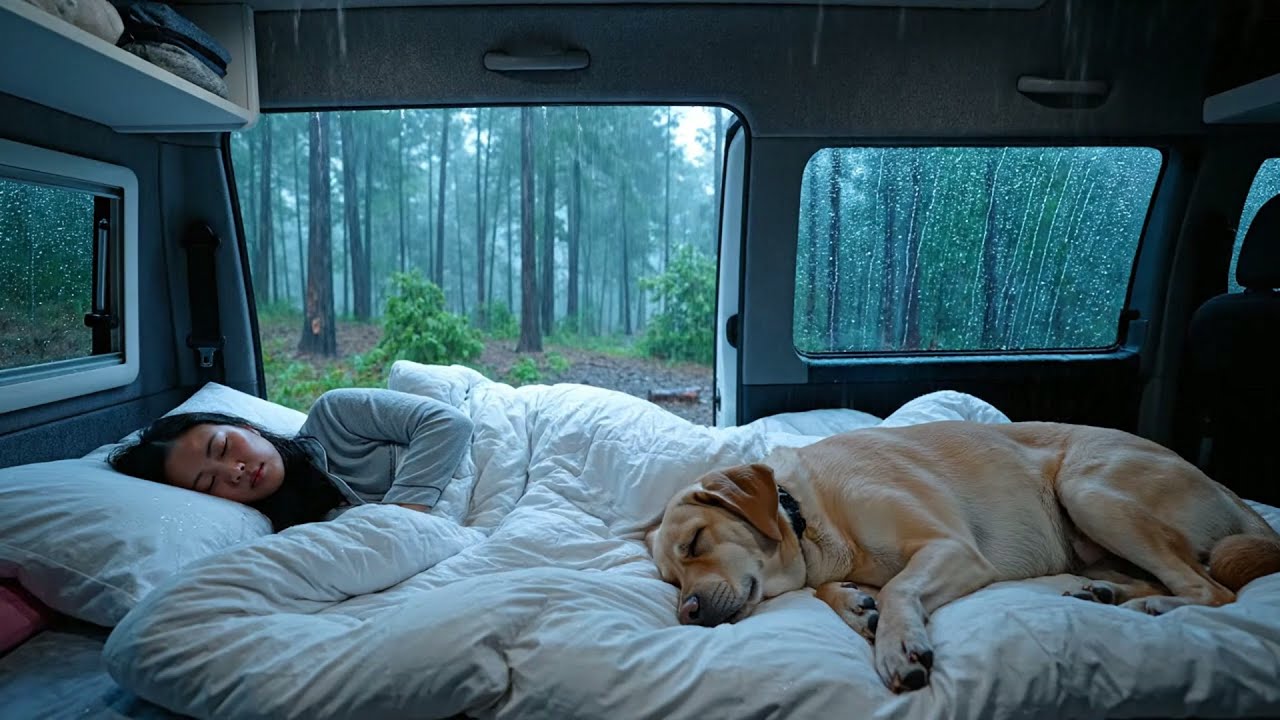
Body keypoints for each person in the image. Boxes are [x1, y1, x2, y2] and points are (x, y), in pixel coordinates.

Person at [109, 388, 473, 532]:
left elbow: (448, 423)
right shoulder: (290, 532)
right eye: (209, 484)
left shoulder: (335, 416)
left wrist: (404, 514)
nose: (234, 471)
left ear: (247, 427)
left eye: (222, 448)